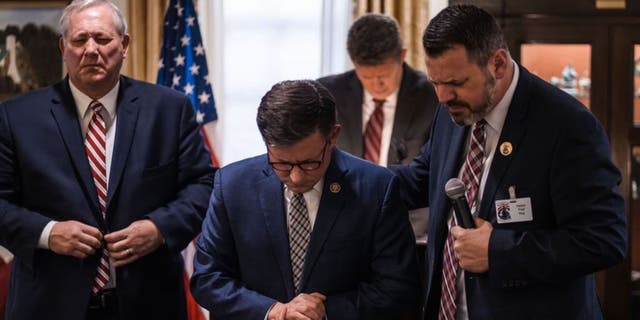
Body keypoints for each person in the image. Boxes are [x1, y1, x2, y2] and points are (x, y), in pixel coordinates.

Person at [390, 4, 627, 320]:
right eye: (436, 82)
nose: (443, 96)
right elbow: (424, 177)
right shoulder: (453, 109)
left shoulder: (568, 126)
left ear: (498, 64)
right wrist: (349, 175)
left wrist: (497, 250)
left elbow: (604, 239)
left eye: (456, 82)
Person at [0, 0, 215, 319]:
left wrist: (158, 228)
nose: (90, 50)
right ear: (63, 46)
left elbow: (204, 185)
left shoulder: (170, 110)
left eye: (102, 39)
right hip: (49, 303)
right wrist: (48, 233)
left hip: (149, 303)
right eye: (79, 39)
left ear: (124, 45)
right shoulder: (16, 117)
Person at [191, 80, 420, 320]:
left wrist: (326, 312)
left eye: (310, 162)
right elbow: (208, 278)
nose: (296, 177)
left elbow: (398, 289)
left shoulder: (377, 188)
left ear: (333, 136)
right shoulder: (231, 185)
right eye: (282, 163)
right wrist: (273, 311)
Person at [318, 13, 437, 166]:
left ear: (402, 56)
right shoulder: (328, 94)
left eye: (384, 75)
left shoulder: (431, 96)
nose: (376, 84)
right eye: (366, 76)